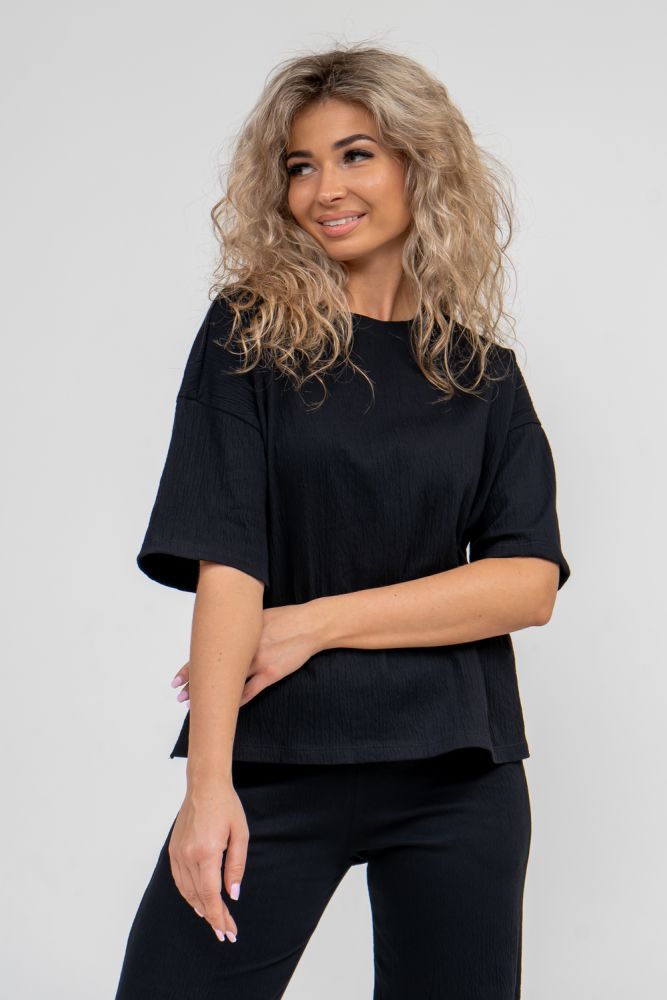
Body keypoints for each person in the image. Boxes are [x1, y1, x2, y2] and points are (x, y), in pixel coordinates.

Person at [114, 43, 571, 999]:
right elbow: (227, 558)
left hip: (457, 774)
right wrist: (206, 788)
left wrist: (313, 623)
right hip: (276, 758)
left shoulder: (483, 376)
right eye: (300, 165)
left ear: (418, 163)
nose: (324, 189)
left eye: (355, 154)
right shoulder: (248, 338)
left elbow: (525, 584)